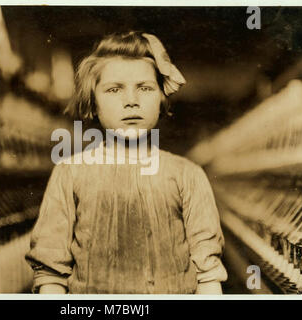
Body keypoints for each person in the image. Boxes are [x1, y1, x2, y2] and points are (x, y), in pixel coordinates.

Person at [25, 31, 228, 294]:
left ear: (161, 99)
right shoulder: (70, 173)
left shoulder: (188, 174)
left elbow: (208, 276)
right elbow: (51, 276)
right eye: (114, 89)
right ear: (93, 102)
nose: (131, 101)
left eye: (144, 88)